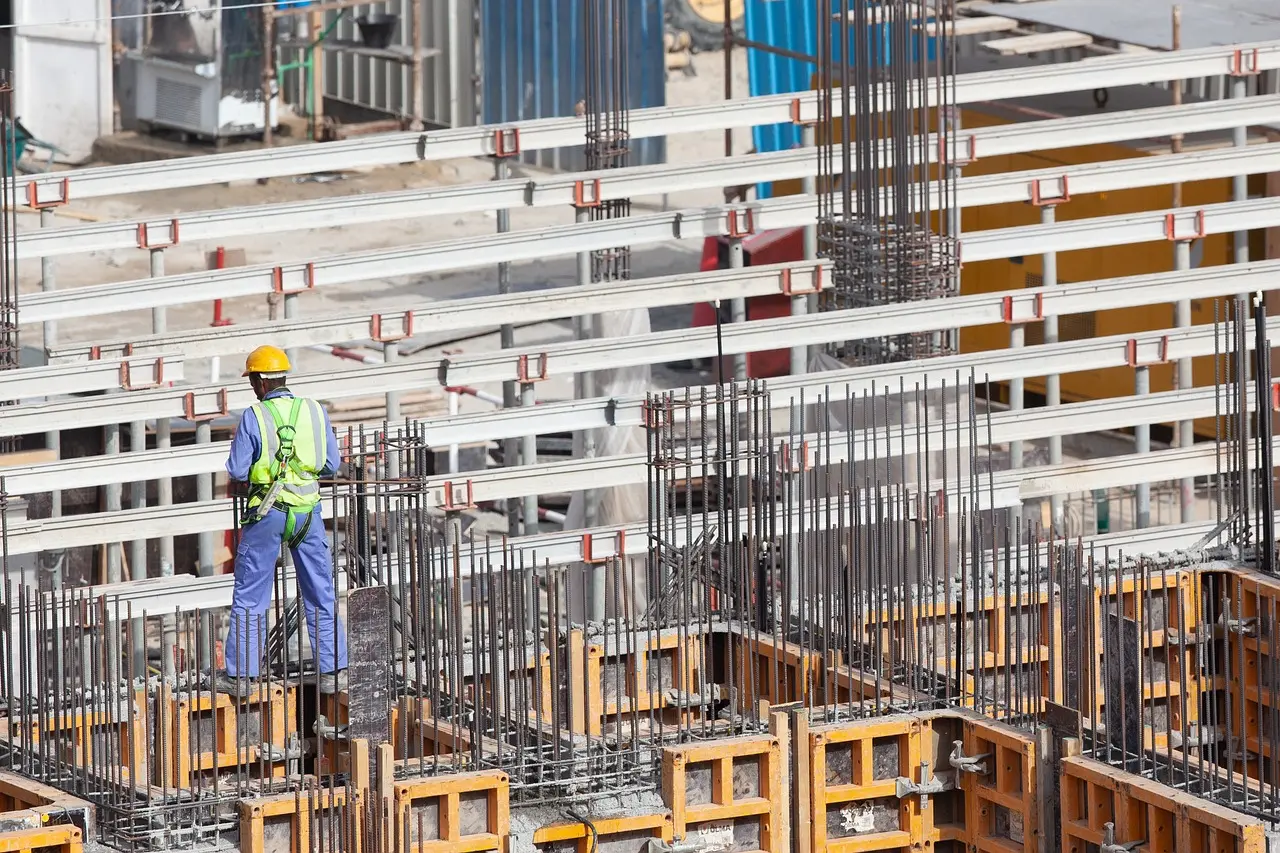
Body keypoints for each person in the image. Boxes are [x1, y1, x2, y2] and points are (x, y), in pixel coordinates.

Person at [217, 345, 348, 695]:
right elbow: (331, 466)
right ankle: (333, 670)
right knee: (320, 592)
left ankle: (241, 677)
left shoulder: (254, 416)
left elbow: (237, 469)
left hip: (268, 512)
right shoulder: (315, 411)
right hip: (308, 513)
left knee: (251, 595)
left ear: (260, 382)